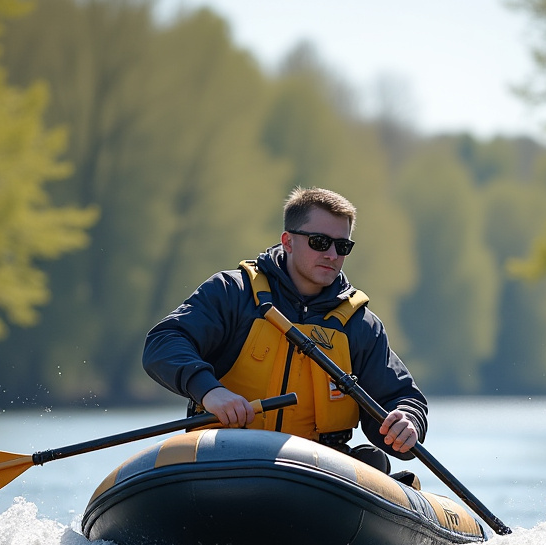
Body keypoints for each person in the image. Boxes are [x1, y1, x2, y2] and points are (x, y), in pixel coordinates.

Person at [142, 187, 425, 473]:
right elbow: (164, 342)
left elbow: (402, 396)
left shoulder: (361, 326)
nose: (331, 255)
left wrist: (406, 420)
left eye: (342, 247)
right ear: (287, 241)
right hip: (224, 462)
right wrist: (210, 392)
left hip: (318, 476)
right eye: (319, 242)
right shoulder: (232, 293)